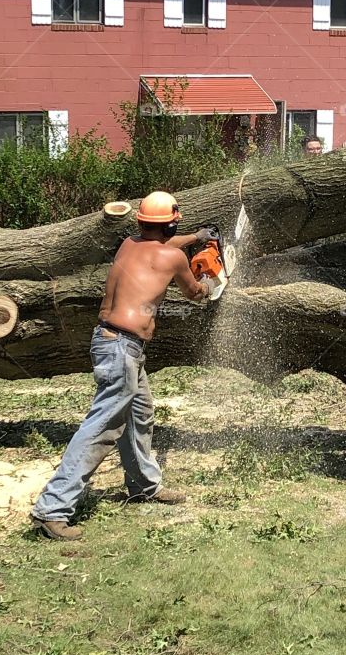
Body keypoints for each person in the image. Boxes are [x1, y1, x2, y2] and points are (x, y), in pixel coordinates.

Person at [30, 191, 214, 541]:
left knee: (139, 412)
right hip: (123, 348)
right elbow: (193, 292)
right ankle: (52, 509)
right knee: (102, 425)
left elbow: (163, 242)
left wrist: (197, 237)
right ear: (172, 223)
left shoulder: (129, 243)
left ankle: (143, 485)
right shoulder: (174, 258)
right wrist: (209, 283)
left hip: (109, 341)